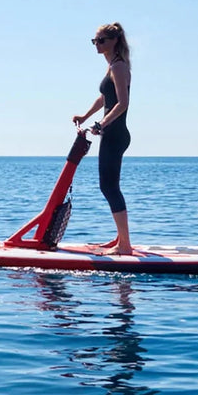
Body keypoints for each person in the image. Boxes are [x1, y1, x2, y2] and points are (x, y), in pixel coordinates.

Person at [72, 22, 132, 255]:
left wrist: (102, 124)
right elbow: (104, 98)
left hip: (115, 134)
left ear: (114, 41)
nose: (97, 45)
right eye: (94, 41)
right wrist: (86, 116)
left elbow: (122, 103)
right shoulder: (112, 67)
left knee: (108, 187)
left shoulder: (118, 67)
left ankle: (124, 246)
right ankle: (120, 239)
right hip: (112, 133)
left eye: (101, 41)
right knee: (109, 186)